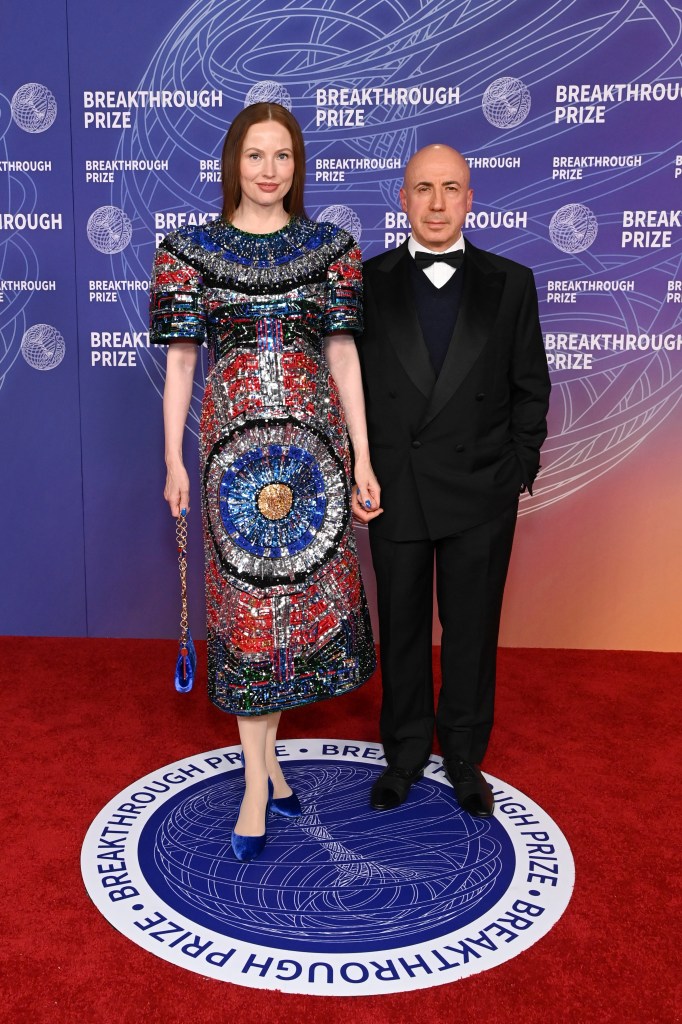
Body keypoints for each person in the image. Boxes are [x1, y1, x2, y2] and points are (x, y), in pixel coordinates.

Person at [150, 102, 382, 861]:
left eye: (282, 156)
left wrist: (364, 457)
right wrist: (173, 459)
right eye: (255, 156)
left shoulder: (332, 249)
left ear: (298, 165)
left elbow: (345, 358)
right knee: (250, 609)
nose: (269, 171)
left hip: (314, 463)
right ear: (232, 164)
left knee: (294, 607)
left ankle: (268, 767)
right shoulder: (187, 251)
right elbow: (182, 361)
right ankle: (256, 782)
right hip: (231, 463)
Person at [357, 144, 550, 818]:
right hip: (396, 488)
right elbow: (347, 387)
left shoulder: (511, 282)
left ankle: (465, 757)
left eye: (450, 189)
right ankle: (405, 753)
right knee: (402, 626)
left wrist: (516, 472)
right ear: (402, 200)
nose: (436, 203)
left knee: (471, 628)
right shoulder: (365, 282)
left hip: (481, 490)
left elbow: (531, 390)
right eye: (422, 189)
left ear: (470, 199)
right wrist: (362, 468)